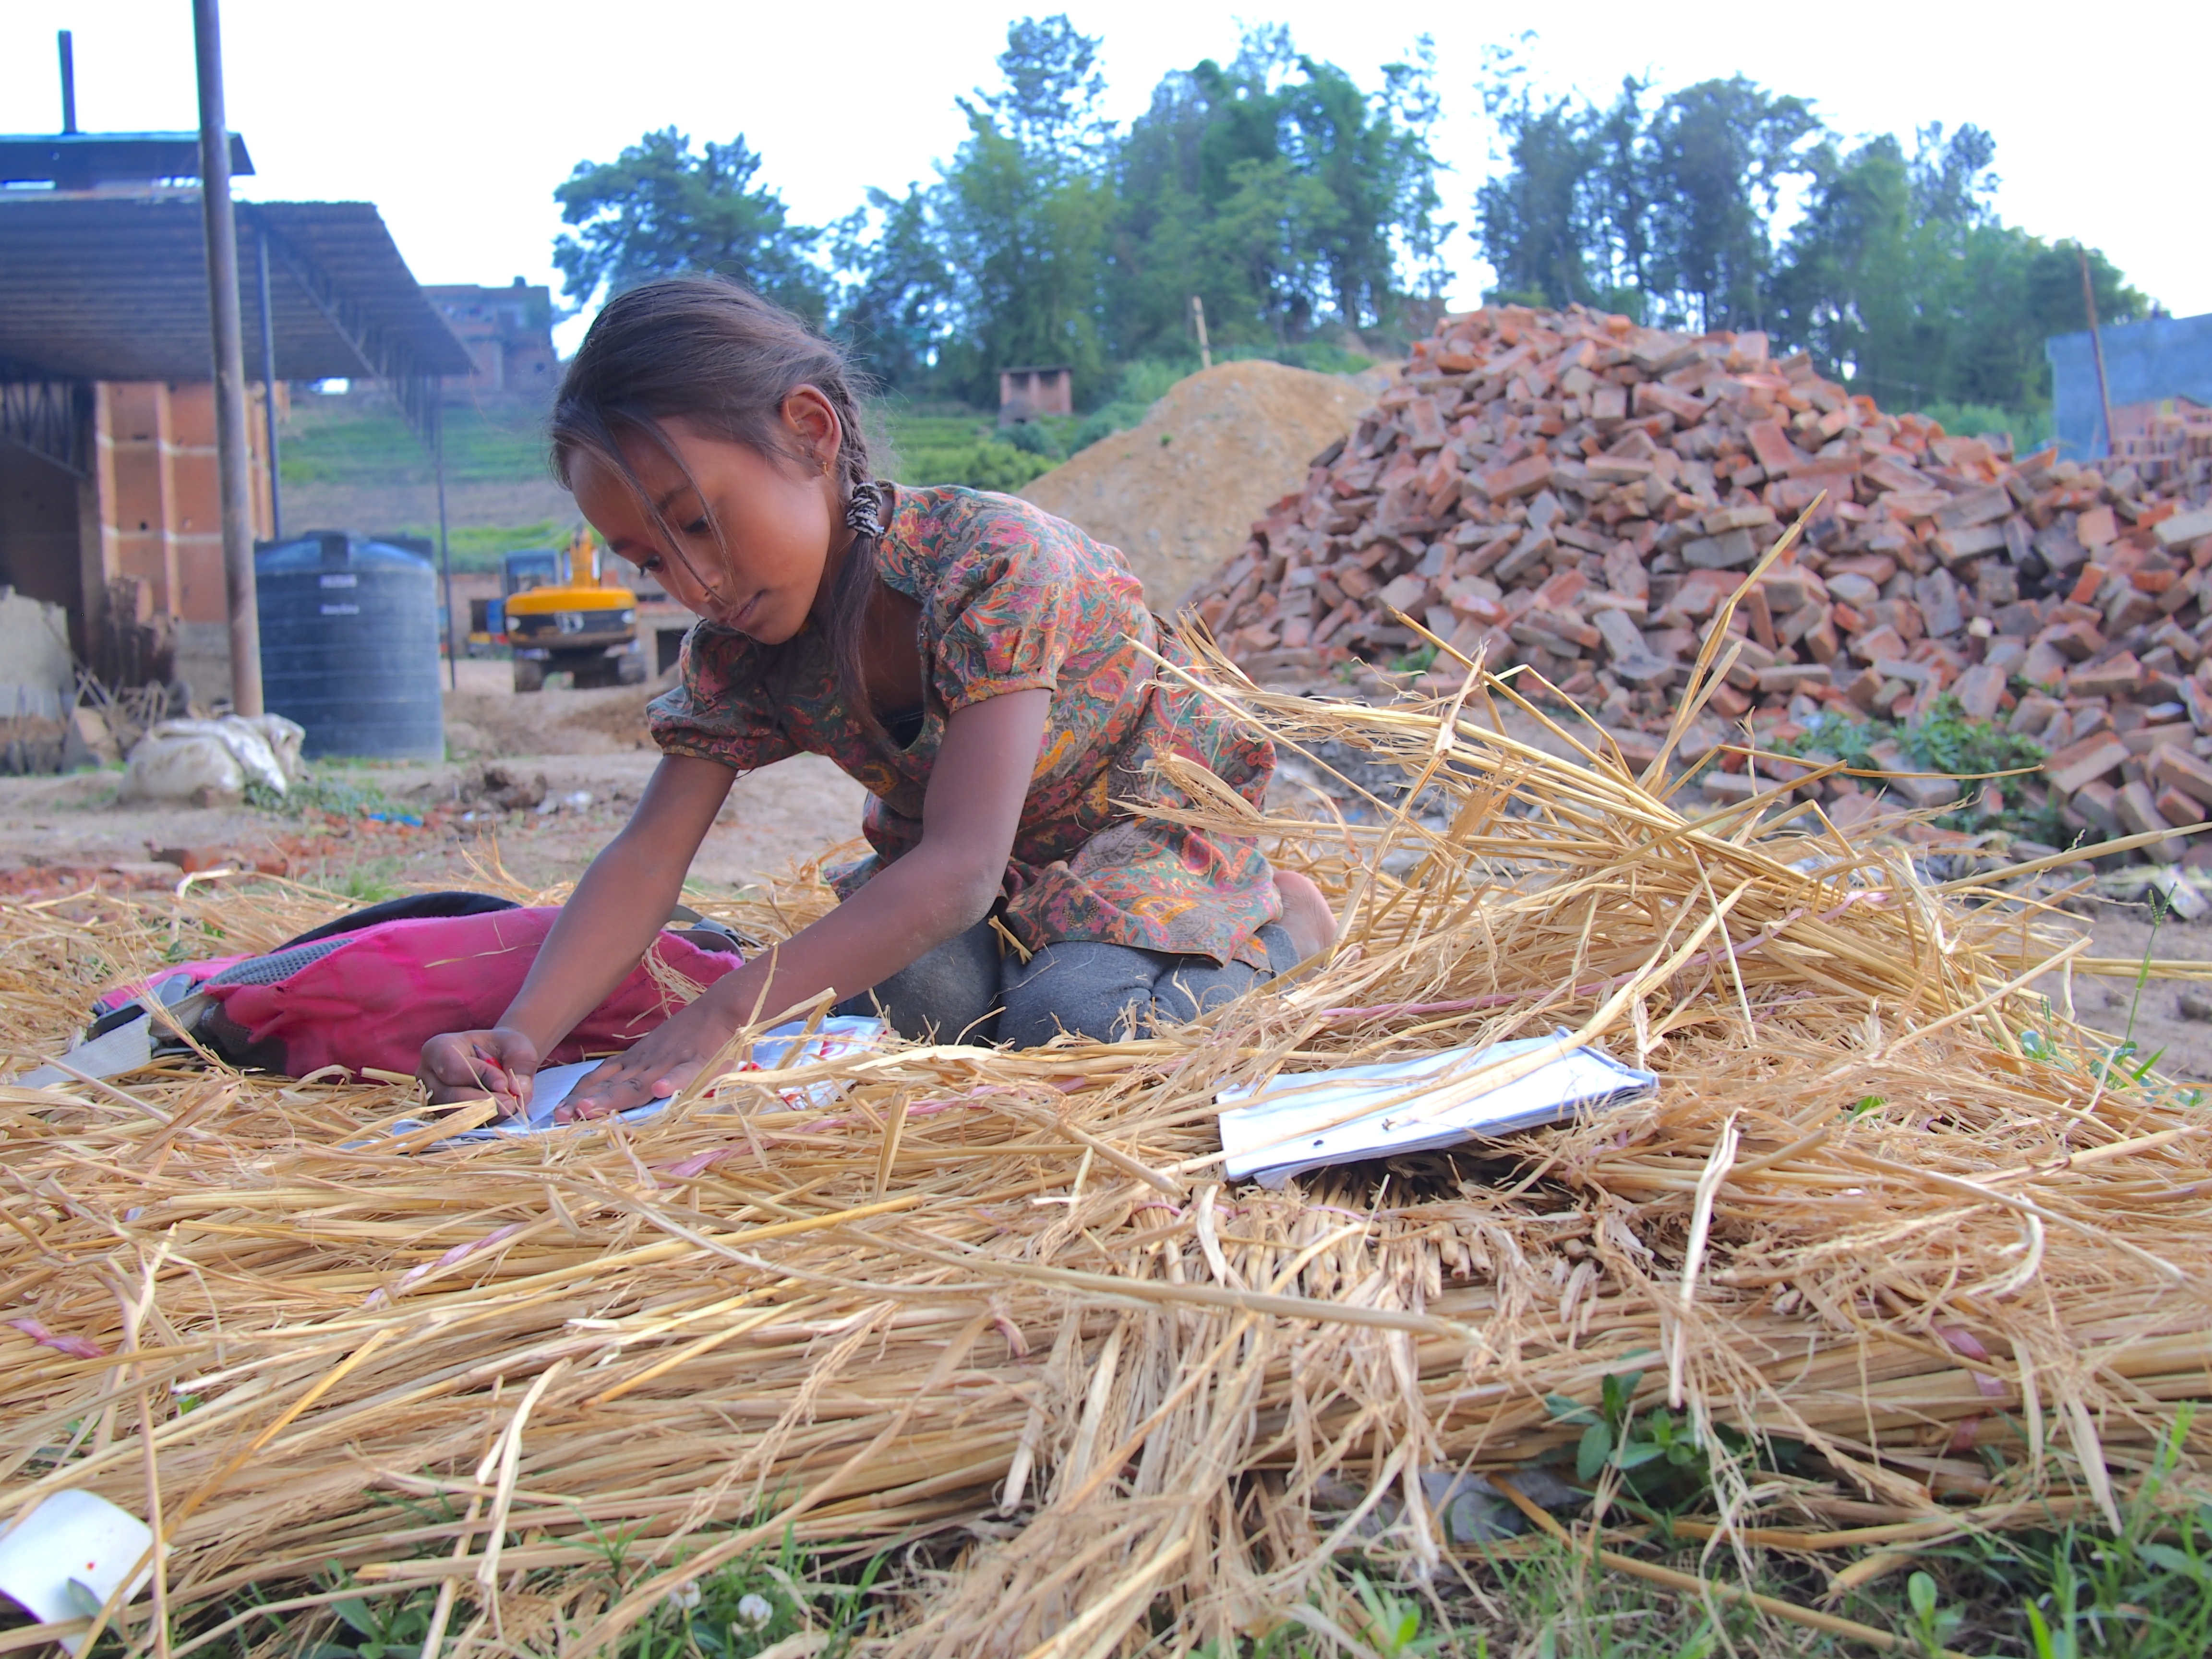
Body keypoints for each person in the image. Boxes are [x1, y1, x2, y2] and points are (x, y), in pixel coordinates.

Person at [417, 275, 1334, 1120]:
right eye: (651, 560)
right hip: (986, 886)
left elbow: (962, 868)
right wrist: (521, 1036)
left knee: (1081, 1026)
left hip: (1135, 843)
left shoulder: (994, 565)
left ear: (811, 435)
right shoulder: (741, 649)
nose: (694, 582)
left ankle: (1285, 928)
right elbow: (650, 859)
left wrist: (729, 1009)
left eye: (699, 521)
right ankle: (1042, 969)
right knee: (895, 1011)